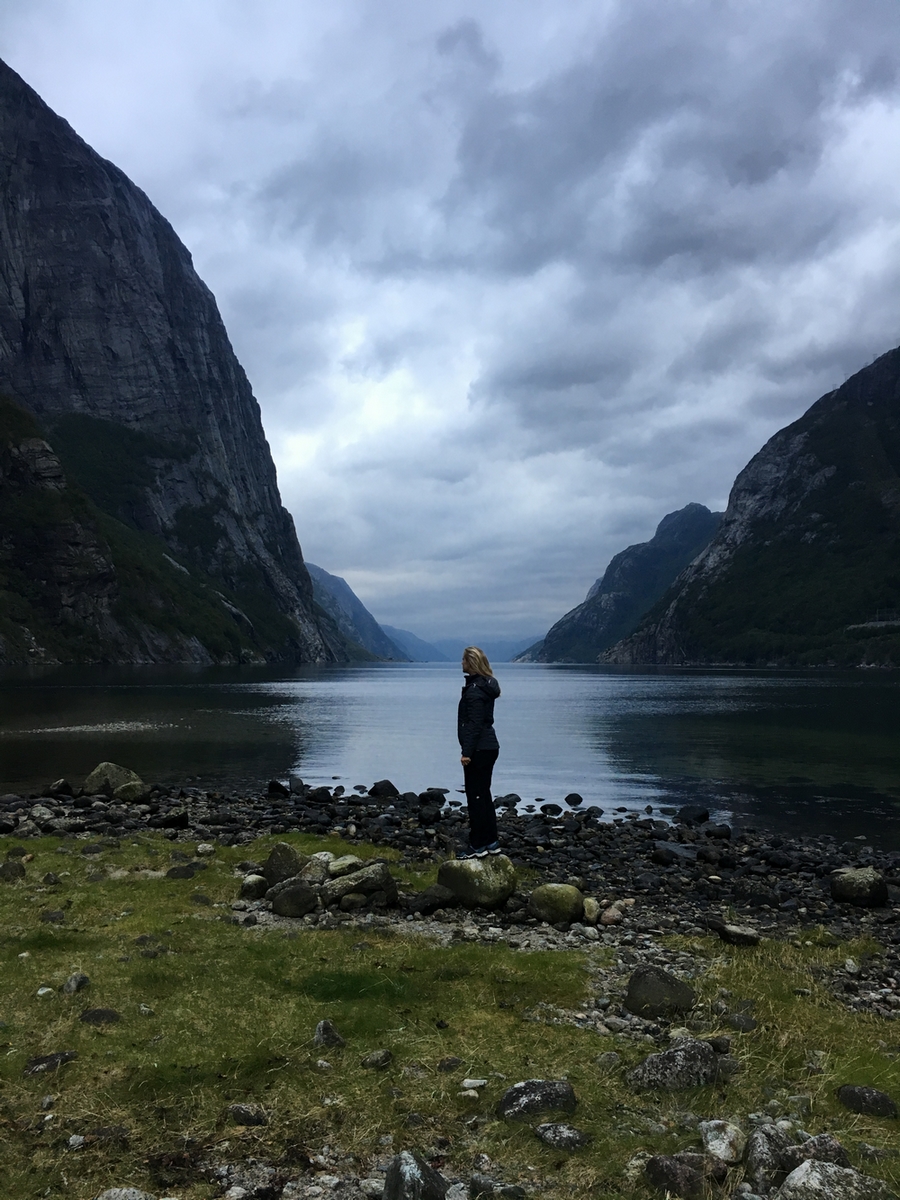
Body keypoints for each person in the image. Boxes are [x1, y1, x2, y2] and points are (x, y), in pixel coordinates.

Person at [457, 645, 502, 858]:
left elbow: (474, 724)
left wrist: (466, 752)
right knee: (483, 795)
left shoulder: (475, 691)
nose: (462, 663)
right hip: (489, 746)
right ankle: (491, 841)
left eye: (464, 660)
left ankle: (477, 845)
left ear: (471, 663)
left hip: (479, 748)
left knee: (475, 797)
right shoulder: (486, 686)